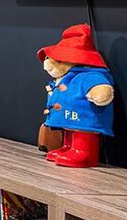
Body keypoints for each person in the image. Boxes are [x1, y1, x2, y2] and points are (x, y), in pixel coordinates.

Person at [39, 24, 115, 167]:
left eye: (59, 60)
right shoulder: (66, 78)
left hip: (84, 121)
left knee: (82, 131)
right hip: (68, 120)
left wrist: (100, 93)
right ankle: (69, 147)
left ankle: (82, 151)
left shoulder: (88, 76)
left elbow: (99, 86)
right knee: (70, 129)